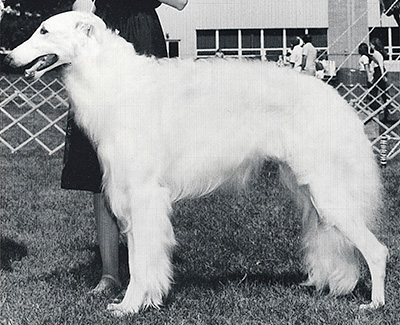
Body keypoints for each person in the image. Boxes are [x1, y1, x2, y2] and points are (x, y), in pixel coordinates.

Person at [64, 0, 188, 294]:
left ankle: (148, 273)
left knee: (146, 169)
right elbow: (80, 5)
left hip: (143, 36)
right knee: (100, 163)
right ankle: (110, 274)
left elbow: (181, 2)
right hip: (100, 35)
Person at [370, 37, 392, 118]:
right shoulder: (376, 53)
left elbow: (381, 65)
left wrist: (383, 75)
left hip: (379, 71)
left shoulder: (377, 54)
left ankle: (386, 105)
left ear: (374, 45)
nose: (370, 46)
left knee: (378, 88)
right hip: (377, 71)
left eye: (371, 45)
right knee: (380, 89)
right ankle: (386, 104)